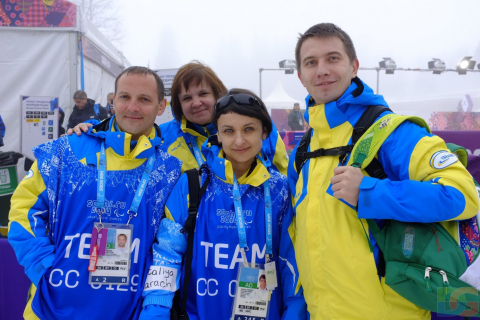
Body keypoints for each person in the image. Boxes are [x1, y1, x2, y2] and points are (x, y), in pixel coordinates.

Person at [288, 23, 480, 320]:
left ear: (353, 66)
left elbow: (462, 194)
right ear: (300, 76)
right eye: (311, 62)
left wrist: (372, 192)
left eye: (333, 58)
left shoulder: (392, 133)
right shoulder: (303, 151)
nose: (322, 69)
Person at [8, 66, 181, 320]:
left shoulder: (169, 171)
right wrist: (44, 267)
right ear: (113, 100)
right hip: (52, 309)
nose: (132, 107)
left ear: (161, 106)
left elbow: (169, 251)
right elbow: (23, 209)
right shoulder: (66, 150)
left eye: (144, 99)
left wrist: (154, 310)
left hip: (126, 312)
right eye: (124, 97)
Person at [140, 89, 307, 319]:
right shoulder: (192, 185)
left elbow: (292, 264)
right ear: (217, 134)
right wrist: (155, 313)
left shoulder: (280, 190)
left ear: (265, 132)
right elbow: (167, 255)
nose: (239, 140)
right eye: (228, 131)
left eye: (249, 129)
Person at [71, 61, 289, 175]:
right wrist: (90, 129)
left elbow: (287, 181)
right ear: (177, 105)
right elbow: (127, 136)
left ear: (218, 95)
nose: (196, 102)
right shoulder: (164, 136)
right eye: (187, 98)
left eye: (203, 94)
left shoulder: (259, 133)